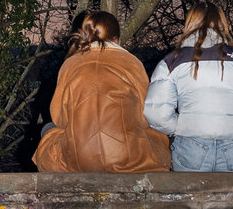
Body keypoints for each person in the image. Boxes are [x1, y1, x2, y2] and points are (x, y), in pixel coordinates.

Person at [144, 1, 233, 172]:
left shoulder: (172, 62)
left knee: (190, 199)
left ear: (190, 23)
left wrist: (182, 125)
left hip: (189, 149)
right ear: (222, 24)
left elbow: (157, 114)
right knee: (231, 199)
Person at [33, 11, 171, 173]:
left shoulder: (70, 65)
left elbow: (60, 118)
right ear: (116, 38)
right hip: (130, 160)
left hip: (78, 161)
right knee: (159, 138)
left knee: (48, 129)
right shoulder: (133, 63)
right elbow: (145, 116)